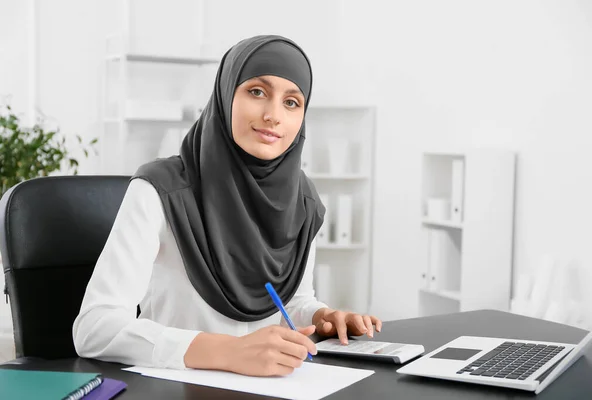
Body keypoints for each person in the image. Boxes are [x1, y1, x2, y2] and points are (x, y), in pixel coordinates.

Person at [73, 34, 382, 377]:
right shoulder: (160, 190)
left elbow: (290, 301)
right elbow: (94, 328)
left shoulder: (303, 200)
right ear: (225, 95)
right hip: (172, 389)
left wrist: (321, 318)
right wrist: (227, 351)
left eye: (292, 102)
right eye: (257, 92)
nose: (273, 115)